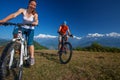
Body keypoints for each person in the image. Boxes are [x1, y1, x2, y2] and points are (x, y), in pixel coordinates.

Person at [0, 0, 38, 65]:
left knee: (30, 42)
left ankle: (32, 57)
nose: (33, 6)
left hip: (30, 29)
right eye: (32, 4)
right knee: (15, 31)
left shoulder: (35, 14)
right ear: (29, 4)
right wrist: (3, 20)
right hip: (23, 27)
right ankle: (18, 45)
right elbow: (14, 15)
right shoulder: (22, 10)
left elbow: (36, 20)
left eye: (34, 5)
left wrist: (35, 23)